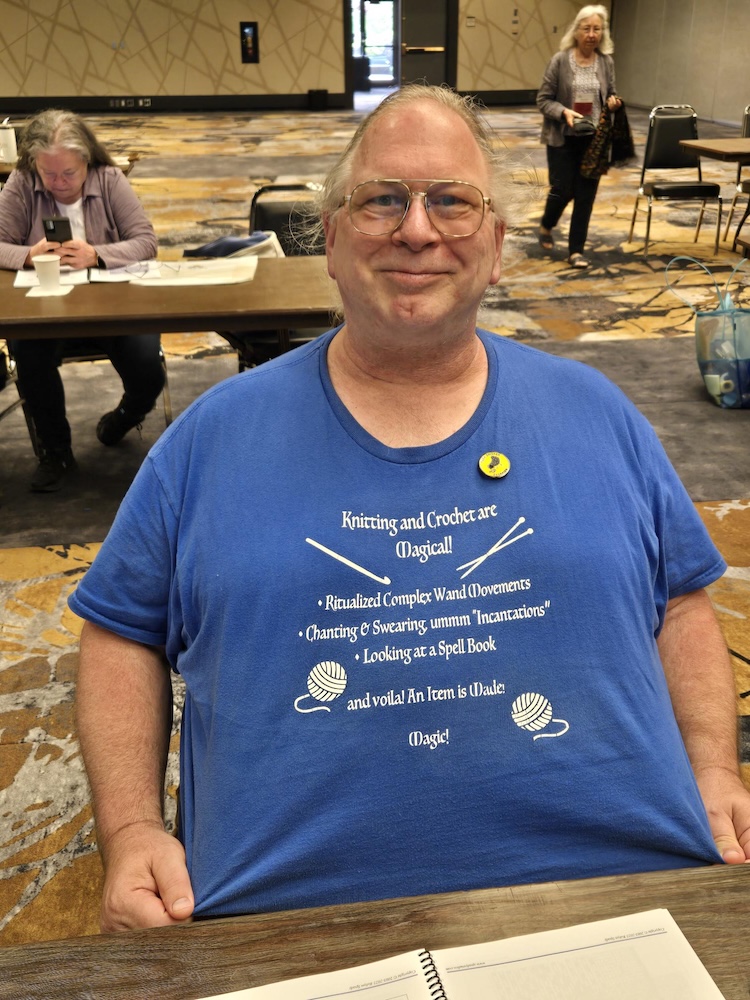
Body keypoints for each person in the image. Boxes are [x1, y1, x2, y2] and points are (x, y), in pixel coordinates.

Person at [69, 84, 750, 933]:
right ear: (330, 239)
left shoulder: (598, 413)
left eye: (453, 202)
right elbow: (121, 632)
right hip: (286, 922)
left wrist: (714, 766)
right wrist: (131, 829)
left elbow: (680, 601)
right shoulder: (210, 440)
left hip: (622, 894)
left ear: (496, 247)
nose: (417, 230)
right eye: (381, 200)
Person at [0, 109, 164, 492]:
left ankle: (125, 416)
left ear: (86, 161)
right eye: (49, 174)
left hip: (113, 304)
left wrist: (97, 254)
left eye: (69, 173)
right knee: (28, 354)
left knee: (147, 368)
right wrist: (27, 255)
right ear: (34, 165)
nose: (59, 183)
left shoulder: (110, 179)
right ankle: (55, 451)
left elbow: (146, 242)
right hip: (44, 306)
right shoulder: (22, 183)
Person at [536, 4, 622, 268]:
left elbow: (610, 93)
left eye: (597, 29)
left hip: (594, 139)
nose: (592, 34)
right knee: (562, 190)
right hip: (563, 138)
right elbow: (543, 100)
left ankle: (576, 251)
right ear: (576, 31)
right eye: (587, 29)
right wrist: (564, 113)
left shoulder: (606, 62)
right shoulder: (560, 60)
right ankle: (547, 224)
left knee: (585, 195)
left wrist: (612, 103)